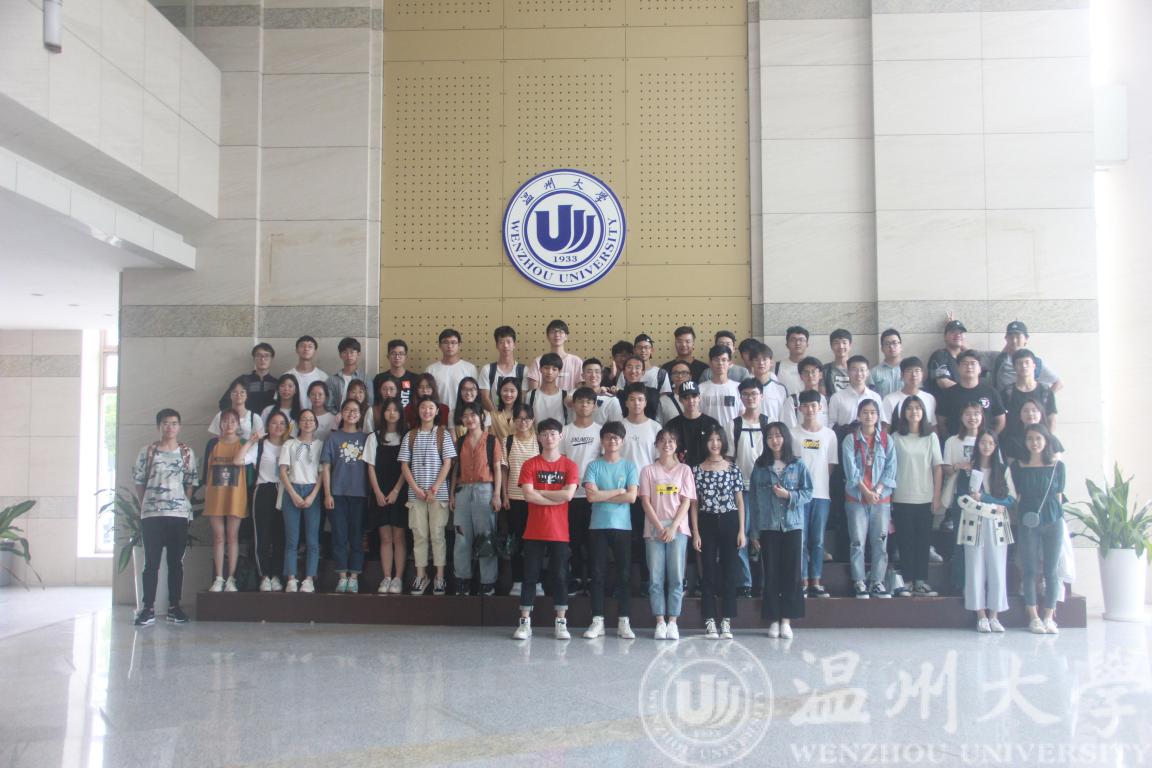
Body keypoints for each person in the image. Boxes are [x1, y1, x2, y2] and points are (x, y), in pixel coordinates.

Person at [512, 419, 579, 640]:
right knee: (530, 576)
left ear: (560, 436)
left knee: (560, 576)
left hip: (559, 531)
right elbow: (528, 495)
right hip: (534, 530)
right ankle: (524, 622)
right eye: (545, 434)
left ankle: (561, 622)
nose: (549, 438)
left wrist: (541, 493)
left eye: (553, 434)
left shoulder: (569, 465)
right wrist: (554, 497)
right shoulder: (530, 465)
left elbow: (568, 495)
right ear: (539, 437)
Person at [131, 408, 198, 626]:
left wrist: (184, 504)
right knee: (151, 562)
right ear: (159, 426)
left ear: (179, 426)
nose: (170, 427)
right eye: (165, 423)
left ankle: (174, 607)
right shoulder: (148, 451)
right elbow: (139, 481)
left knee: (175, 563)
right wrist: (145, 504)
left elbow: (190, 482)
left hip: (178, 515)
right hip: (152, 514)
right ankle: (147, 608)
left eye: (174, 423)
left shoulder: (186, 453)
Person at [750, 422, 812, 640]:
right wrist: (754, 531)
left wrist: (789, 496)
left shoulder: (797, 464)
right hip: (768, 526)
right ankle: (773, 620)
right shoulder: (760, 466)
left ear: (785, 437)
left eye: (778, 436)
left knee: (792, 573)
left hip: (792, 525)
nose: (774, 440)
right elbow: (754, 501)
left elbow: (808, 493)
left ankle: (786, 620)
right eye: (770, 437)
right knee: (771, 573)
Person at [582, 421, 639, 640]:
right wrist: (617, 491)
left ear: (622, 442)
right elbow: (591, 497)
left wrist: (603, 494)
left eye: (616, 437)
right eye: (608, 437)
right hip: (598, 526)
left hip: (623, 527)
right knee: (597, 574)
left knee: (624, 574)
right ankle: (597, 620)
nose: (612, 441)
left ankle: (624, 621)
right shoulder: (593, 466)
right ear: (602, 440)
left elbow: (631, 497)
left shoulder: (629, 467)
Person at [639, 428, 696, 640]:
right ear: (656, 444)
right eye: (662, 440)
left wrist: (672, 528)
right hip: (654, 528)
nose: (667, 444)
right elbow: (645, 502)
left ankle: (673, 621)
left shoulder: (684, 470)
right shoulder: (648, 471)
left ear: (677, 445)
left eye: (671, 441)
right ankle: (660, 621)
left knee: (676, 577)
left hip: (677, 529)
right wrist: (659, 526)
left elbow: (686, 501)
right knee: (655, 577)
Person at [957, 429, 1016, 632]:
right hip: (973, 523)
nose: (987, 446)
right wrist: (990, 507)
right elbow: (963, 499)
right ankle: (980, 615)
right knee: (975, 568)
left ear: (996, 446)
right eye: (983, 442)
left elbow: (1010, 499)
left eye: (991, 443)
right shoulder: (968, 469)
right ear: (978, 445)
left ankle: (994, 615)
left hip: (997, 525)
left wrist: (985, 499)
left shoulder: (1003, 469)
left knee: (997, 569)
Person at [691, 424, 746, 640]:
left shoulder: (733, 468)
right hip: (707, 521)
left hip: (730, 520)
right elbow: (694, 504)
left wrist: (742, 530)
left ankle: (727, 619)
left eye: (718, 439)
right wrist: (696, 532)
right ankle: (710, 619)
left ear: (723, 442)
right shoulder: (697, 470)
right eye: (711, 440)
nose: (714, 444)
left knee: (729, 570)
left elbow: (740, 501)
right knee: (708, 571)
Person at [1011, 424, 1066, 635]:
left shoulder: (1057, 466)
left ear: (1046, 441)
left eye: (1038, 438)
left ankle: (1049, 617)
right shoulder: (1018, 466)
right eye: (1030, 439)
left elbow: (1059, 495)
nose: (1034, 443)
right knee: (1030, 569)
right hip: (1028, 521)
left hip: (1053, 519)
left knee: (1052, 570)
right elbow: (1016, 495)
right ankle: (1033, 616)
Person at [399, 396, 457, 595]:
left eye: (431, 407)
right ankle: (421, 575)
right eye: (423, 407)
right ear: (418, 411)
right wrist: (416, 488)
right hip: (415, 495)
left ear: (437, 411)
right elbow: (404, 465)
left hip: (438, 495)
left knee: (438, 535)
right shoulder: (410, 435)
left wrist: (434, 488)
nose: (427, 411)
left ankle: (439, 577)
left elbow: (448, 463)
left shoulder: (443, 434)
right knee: (419, 535)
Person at [841, 400, 897, 599]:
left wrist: (878, 491)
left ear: (878, 416)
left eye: (873, 412)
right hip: (856, 498)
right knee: (857, 541)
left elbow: (891, 469)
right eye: (865, 412)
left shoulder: (887, 440)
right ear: (858, 415)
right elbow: (851, 471)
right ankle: (859, 581)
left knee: (880, 541)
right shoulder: (851, 440)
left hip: (881, 500)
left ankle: (877, 582)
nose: (869, 416)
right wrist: (866, 492)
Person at [890, 396, 943, 597]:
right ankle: (907, 581)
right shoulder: (896, 437)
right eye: (910, 408)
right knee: (905, 541)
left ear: (924, 412)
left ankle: (921, 581)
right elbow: (890, 467)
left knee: (923, 541)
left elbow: (937, 468)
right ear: (903, 413)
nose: (914, 412)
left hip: (925, 497)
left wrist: (936, 496)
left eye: (918, 408)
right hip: (901, 496)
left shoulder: (931, 437)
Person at [449, 402, 503, 596]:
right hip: (463, 491)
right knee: (461, 537)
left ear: (481, 417)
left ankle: (488, 582)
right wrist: (452, 494)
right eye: (465, 416)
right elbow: (455, 469)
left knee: (486, 536)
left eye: (473, 415)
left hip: (484, 491)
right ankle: (463, 579)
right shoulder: (460, 441)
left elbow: (497, 469)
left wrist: (496, 494)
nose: (469, 419)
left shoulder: (492, 441)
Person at [792, 390, 838, 598]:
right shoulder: (793, 433)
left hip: (821, 495)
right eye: (805, 405)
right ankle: (802, 580)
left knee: (818, 540)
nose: (810, 409)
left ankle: (816, 580)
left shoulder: (829, 435)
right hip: (798, 496)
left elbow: (830, 466)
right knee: (800, 540)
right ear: (799, 408)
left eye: (813, 405)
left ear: (820, 408)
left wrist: (817, 484)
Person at [321, 399, 370, 594]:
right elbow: (326, 468)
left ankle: (354, 577)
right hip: (337, 494)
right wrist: (327, 494)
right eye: (347, 410)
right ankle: (342, 576)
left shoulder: (366, 438)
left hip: (360, 495)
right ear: (341, 413)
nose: (351, 413)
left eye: (355, 410)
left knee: (357, 537)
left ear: (360, 414)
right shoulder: (333, 438)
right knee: (339, 535)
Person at [560, 388, 602, 596]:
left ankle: (594, 580)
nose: (584, 405)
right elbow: (560, 462)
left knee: (594, 541)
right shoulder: (565, 431)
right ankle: (576, 578)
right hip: (571, 495)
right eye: (580, 401)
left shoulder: (601, 431)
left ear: (594, 406)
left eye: (588, 402)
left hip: (595, 496)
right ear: (573, 405)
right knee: (574, 541)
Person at [365, 397, 408, 595]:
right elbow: (370, 467)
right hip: (380, 493)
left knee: (399, 536)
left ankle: (398, 578)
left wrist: (396, 491)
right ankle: (387, 576)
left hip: (400, 492)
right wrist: (377, 493)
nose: (392, 413)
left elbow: (406, 467)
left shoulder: (406, 436)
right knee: (385, 537)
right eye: (388, 410)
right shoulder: (374, 437)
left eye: (395, 410)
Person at [203, 409, 248, 593]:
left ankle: (231, 578)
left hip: (236, 495)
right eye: (225, 421)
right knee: (218, 537)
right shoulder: (212, 443)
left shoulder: (243, 443)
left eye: (233, 421)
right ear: (220, 424)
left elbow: (249, 472)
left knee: (232, 536)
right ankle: (218, 578)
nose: (229, 424)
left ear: (238, 424)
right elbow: (205, 471)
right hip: (215, 495)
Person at [243, 411, 289, 592]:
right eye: (274, 423)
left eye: (282, 423)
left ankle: (277, 575)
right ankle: (263, 576)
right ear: (268, 425)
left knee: (281, 536)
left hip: (285, 491)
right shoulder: (261, 446)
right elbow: (239, 460)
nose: (278, 426)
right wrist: (250, 441)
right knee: (262, 535)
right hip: (264, 490)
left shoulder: (290, 444)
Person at [941, 401, 985, 588]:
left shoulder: (988, 438)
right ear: (961, 417)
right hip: (960, 492)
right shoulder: (953, 441)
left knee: (981, 541)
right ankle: (960, 585)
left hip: (983, 495)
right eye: (968, 413)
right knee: (960, 538)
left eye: (976, 413)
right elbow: (946, 469)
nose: (972, 417)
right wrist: (959, 466)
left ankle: (980, 584)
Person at [278, 409, 324, 594]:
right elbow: (283, 471)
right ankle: (291, 578)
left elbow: (322, 473)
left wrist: (312, 495)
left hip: (313, 489)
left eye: (311, 419)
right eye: (304, 419)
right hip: (293, 489)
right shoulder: (289, 444)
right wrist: (293, 494)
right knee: (292, 539)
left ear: (316, 424)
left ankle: (309, 578)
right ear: (298, 423)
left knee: (313, 539)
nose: (307, 422)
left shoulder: (320, 445)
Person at [732, 379, 769, 598]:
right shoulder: (734, 424)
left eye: (754, 394)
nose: (750, 398)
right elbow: (729, 457)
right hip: (741, 488)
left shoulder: (769, 423)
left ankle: (766, 581)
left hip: (766, 489)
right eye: (745, 394)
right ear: (741, 397)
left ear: (761, 396)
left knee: (765, 534)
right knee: (742, 534)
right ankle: (745, 581)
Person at [500, 403, 540, 598]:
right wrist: (504, 495)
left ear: (532, 420)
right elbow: (504, 470)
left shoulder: (539, 441)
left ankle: (536, 581)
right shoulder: (507, 441)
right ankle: (517, 581)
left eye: (527, 419)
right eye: (519, 419)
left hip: (536, 500)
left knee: (535, 542)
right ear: (513, 420)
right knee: (516, 541)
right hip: (514, 499)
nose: (523, 422)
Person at [938, 350, 1006, 436]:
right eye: (965, 364)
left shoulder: (991, 392)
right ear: (958, 368)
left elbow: (1001, 421)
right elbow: (941, 422)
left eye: (973, 363)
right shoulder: (948, 394)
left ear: (980, 369)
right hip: (957, 441)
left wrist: (989, 438)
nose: (969, 367)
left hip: (983, 443)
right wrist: (950, 440)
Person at [991, 321, 1063, 392]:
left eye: (1018, 337)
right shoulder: (997, 359)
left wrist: (1045, 398)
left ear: (1026, 338)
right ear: (1006, 338)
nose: (1014, 340)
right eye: (1011, 337)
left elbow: (1058, 383)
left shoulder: (1034, 362)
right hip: (1004, 399)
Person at [1000, 349, 1058, 434]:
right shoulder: (1007, 392)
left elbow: (1051, 419)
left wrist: (1049, 439)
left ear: (1034, 366)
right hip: (1014, 439)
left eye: (1027, 362)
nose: (1024, 366)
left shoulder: (1045, 391)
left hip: (1039, 439)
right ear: (1014, 367)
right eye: (1019, 363)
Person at [666, 381, 723, 467]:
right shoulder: (672, 425)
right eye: (686, 397)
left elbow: (719, 450)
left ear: (699, 398)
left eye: (694, 396)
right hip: (680, 471)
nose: (691, 401)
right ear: (680, 400)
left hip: (708, 470)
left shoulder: (712, 423)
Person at [218, 342, 278, 414]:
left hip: (270, 420)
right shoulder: (243, 380)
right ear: (254, 359)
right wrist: (238, 417)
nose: (262, 359)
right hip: (247, 420)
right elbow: (224, 402)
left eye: (266, 356)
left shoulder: (276, 383)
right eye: (258, 355)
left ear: (272, 359)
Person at [426, 328, 477, 411]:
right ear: (439, 345)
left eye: (453, 342)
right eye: (445, 342)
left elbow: (475, 395)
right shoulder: (431, 370)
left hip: (463, 414)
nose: (449, 346)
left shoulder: (469, 368)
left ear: (459, 345)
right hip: (438, 414)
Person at [526, 319, 583, 391]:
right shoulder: (538, 361)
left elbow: (581, 391)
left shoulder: (576, 361)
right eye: (553, 332)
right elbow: (533, 392)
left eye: (561, 332)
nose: (557, 335)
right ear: (547, 336)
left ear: (566, 336)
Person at [827, 355, 882, 429]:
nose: (858, 374)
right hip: (844, 436)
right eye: (854, 370)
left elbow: (879, 423)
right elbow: (831, 424)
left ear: (867, 372)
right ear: (848, 372)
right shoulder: (837, 397)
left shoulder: (875, 397)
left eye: (862, 370)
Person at [479, 326, 526, 411]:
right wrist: (498, 416)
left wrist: (514, 415)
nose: (505, 346)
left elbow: (523, 397)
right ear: (497, 345)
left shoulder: (524, 370)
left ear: (514, 344)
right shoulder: (487, 369)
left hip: (516, 417)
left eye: (508, 342)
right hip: (494, 417)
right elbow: (484, 397)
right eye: (501, 342)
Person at [881, 357, 937, 429]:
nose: (914, 375)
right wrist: (883, 437)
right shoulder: (889, 399)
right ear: (901, 375)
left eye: (917, 370)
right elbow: (884, 428)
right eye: (909, 371)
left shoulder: (929, 398)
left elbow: (933, 426)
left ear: (922, 374)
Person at [747, 342, 789, 422]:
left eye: (764, 359)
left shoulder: (780, 389)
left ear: (771, 362)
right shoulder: (745, 388)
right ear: (751, 363)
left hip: (774, 429)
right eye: (757, 360)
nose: (761, 363)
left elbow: (785, 416)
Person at [325, 337, 369, 413]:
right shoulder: (332, 380)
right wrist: (341, 416)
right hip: (338, 418)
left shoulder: (365, 378)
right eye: (345, 352)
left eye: (352, 352)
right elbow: (329, 405)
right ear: (340, 355)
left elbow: (369, 402)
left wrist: (357, 416)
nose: (349, 355)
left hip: (360, 417)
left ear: (358, 354)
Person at [373, 339, 420, 410]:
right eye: (393, 353)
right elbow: (376, 404)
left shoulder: (415, 378)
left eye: (401, 353)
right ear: (388, 356)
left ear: (406, 357)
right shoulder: (379, 378)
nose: (397, 357)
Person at [783, 356, 828, 429]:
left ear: (820, 375)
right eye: (806, 372)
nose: (810, 375)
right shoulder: (793, 401)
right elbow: (790, 430)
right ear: (801, 376)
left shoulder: (826, 400)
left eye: (813, 371)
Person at [285, 335, 327, 410]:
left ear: (315, 351)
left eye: (310, 346)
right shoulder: (287, 376)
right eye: (302, 346)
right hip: (293, 416)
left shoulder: (323, 377)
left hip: (316, 416)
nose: (306, 349)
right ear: (297, 350)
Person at [526, 352, 569, 425]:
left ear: (559, 371)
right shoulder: (530, 396)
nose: (550, 372)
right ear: (540, 369)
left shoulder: (565, 396)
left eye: (554, 369)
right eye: (546, 368)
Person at [927, 319, 968, 395]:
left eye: (961, 332)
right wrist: (967, 391)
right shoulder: (940, 355)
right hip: (947, 399)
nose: (958, 335)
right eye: (953, 332)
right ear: (945, 337)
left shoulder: (966, 357)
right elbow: (943, 382)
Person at [577, 358, 623, 424]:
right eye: (589, 372)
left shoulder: (611, 400)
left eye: (597, 372)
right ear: (582, 375)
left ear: (602, 375)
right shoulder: (574, 396)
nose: (593, 375)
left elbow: (617, 426)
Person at [615, 356, 662, 421]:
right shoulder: (617, 395)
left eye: (637, 368)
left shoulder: (653, 393)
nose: (633, 371)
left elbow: (658, 416)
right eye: (629, 367)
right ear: (624, 372)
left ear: (643, 372)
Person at [775, 326, 811, 396]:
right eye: (793, 340)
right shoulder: (777, 367)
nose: (797, 343)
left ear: (807, 344)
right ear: (787, 345)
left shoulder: (814, 366)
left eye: (801, 340)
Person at [868, 328, 904, 397]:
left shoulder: (909, 369)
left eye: (894, 343)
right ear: (882, 349)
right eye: (887, 344)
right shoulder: (874, 372)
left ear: (900, 346)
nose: (891, 346)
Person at [489, 377, 522, 441]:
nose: (508, 394)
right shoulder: (492, 415)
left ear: (518, 393)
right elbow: (491, 438)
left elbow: (530, 436)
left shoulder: (524, 414)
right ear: (500, 391)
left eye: (512, 391)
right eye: (505, 390)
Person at [822, 329, 853, 396]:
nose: (841, 346)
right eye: (836, 343)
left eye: (844, 343)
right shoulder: (825, 370)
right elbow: (822, 396)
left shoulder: (859, 368)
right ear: (831, 346)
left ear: (850, 345)